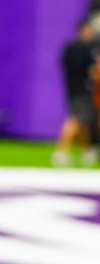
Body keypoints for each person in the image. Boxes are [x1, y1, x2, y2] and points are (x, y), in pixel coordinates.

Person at [52, 17, 98, 167]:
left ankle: (87, 151)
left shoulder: (68, 48)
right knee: (75, 119)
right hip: (84, 89)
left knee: (83, 119)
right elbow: (93, 72)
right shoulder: (87, 50)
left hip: (71, 88)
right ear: (83, 30)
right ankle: (60, 152)